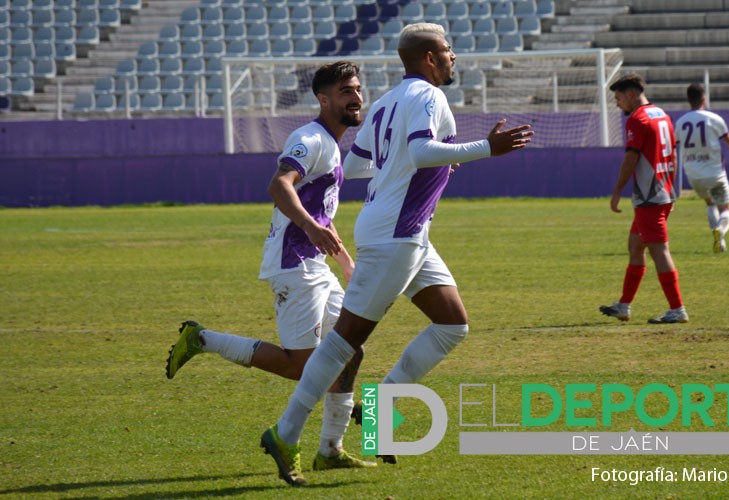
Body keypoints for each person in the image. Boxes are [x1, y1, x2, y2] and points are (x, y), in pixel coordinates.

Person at [260, 22, 534, 487]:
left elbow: (357, 164)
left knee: (452, 323)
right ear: (428, 58)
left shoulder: (386, 100)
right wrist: (487, 148)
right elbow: (422, 149)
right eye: (448, 50)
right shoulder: (429, 96)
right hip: (396, 234)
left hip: (406, 232)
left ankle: (378, 413)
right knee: (345, 340)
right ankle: (285, 433)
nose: (453, 58)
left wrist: (419, 166)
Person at [165, 61, 376, 472]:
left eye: (358, 89)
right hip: (293, 265)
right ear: (324, 99)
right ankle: (203, 339)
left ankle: (330, 451)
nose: (356, 97)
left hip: (314, 263)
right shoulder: (309, 138)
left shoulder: (332, 145)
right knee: (302, 366)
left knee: (350, 351)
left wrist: (344, 260)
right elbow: (279, 186)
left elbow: (321, 212)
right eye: (347, 91)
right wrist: (310, 227)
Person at [599, 73, 689, 324]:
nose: (617, 104)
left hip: (650, 195)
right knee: (636, 246)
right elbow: (671, 154)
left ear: (630, 94)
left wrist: (617, 191)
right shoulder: (662, 115)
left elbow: (631, 158)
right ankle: (623, 306)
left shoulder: (637, 120)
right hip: (664, 191)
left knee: (659, 250)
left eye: (618, 99)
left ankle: (677, 309)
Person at [674, 83, 729, 253]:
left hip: (693, 175)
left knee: (710, 204)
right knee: (726, 209)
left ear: (688, 100)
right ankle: (720, 231)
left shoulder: (680, 122)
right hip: (715, 174)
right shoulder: (714, 119)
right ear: (704, 99)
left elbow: (674, 147)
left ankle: (720, 243)